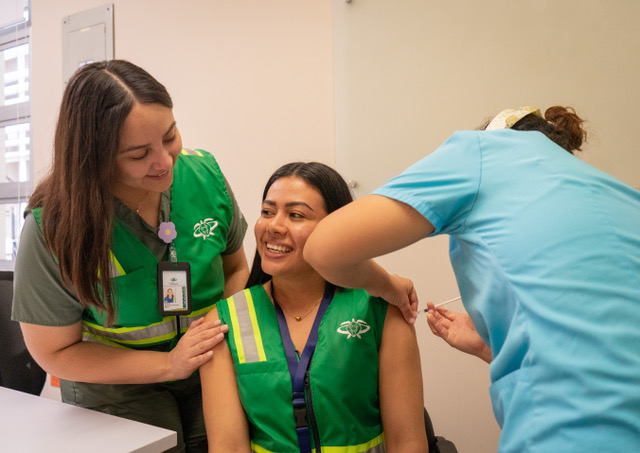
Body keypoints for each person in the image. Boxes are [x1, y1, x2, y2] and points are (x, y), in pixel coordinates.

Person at [304, 106, 640, 452]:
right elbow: (597, 349)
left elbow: (323, 249)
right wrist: (489, 347)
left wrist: (389, 287)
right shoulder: (622, 196)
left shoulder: (484, 152)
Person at [11, 60, 250, 452]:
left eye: (170, 136)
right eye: (139, 155)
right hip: (116, 391)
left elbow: (236, 266)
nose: (165, 161)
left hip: (208, 370)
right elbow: (54, 352)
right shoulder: (53, 228)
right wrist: (169, 364)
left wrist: (212, 336)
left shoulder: (203, 173)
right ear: (95, 156)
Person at [200, 162, 427, 452]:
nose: (273, 226)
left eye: (295, 215)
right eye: (267, 212)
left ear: (335, 229)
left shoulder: (380, 308)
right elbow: (228, 447)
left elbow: (407, 441)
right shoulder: (223, 322)